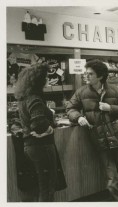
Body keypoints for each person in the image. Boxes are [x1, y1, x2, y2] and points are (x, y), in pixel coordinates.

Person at [66, 59, 118, 201]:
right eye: (85, 73)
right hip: (100, 139)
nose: (86, 76)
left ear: (100, 76)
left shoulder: (114, 90)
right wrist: (78, 117)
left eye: (90, 74)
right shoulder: (81, 92)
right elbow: (70, 108)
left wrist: (110, 108)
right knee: (112, 179)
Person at [14, 63, 66, 201]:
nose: (48, 80)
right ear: (38, 80)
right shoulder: (35, 99)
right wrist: (48, 128)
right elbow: (38, 124)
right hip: (42, 147)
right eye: (46, 77)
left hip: (30, 146)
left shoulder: (24, 98)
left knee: (42, 185)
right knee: (48, 187)